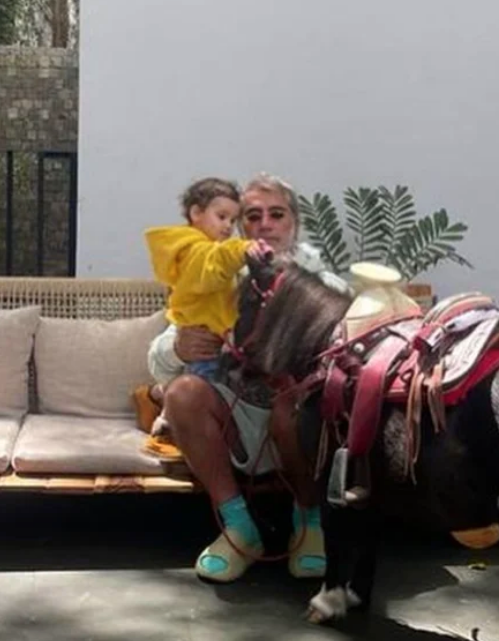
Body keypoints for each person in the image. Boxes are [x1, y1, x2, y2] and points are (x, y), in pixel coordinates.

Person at [135, 173, 348, 582]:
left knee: (292, 405)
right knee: (182, 393)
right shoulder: (214, 276)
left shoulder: (325, 285)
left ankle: (310, 524)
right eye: (253, 216)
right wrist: (178, 348)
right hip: (234, 422)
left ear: (294, 222)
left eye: (277, 214)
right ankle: (239, 529)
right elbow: (157, 361)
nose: (265, 224)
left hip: (299, 423)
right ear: (240, 226)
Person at [136, 177, 269, 444]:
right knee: (202, 388)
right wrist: (241, 249)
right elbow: (212, 266)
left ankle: (164, 402)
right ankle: (172, 414)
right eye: (222, 217)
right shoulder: (194, 250)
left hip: (228, 349)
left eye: (233, 220)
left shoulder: (212, 252)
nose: (228, 226)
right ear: (196, 213)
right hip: (206, 339)